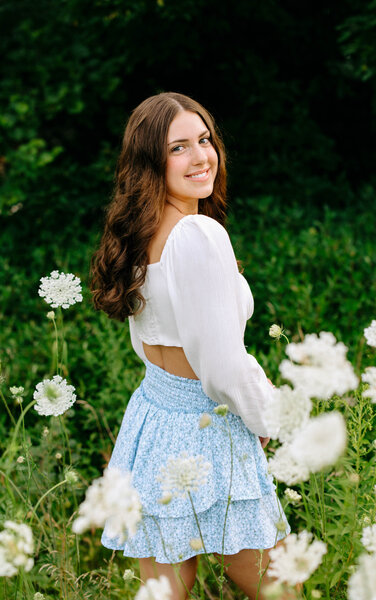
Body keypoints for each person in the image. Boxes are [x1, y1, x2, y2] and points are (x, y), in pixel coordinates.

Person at [90, 92, 292, 600]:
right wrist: (268, 418)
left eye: (204, 140)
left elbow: (151, 341)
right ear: (150, 162)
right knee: (280, 585)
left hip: (154, 419)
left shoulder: (140, 230)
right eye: (179, 147)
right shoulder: (196, 234)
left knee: (164, 593)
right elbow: (221, 367)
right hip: (207, 426)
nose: (201, 157)